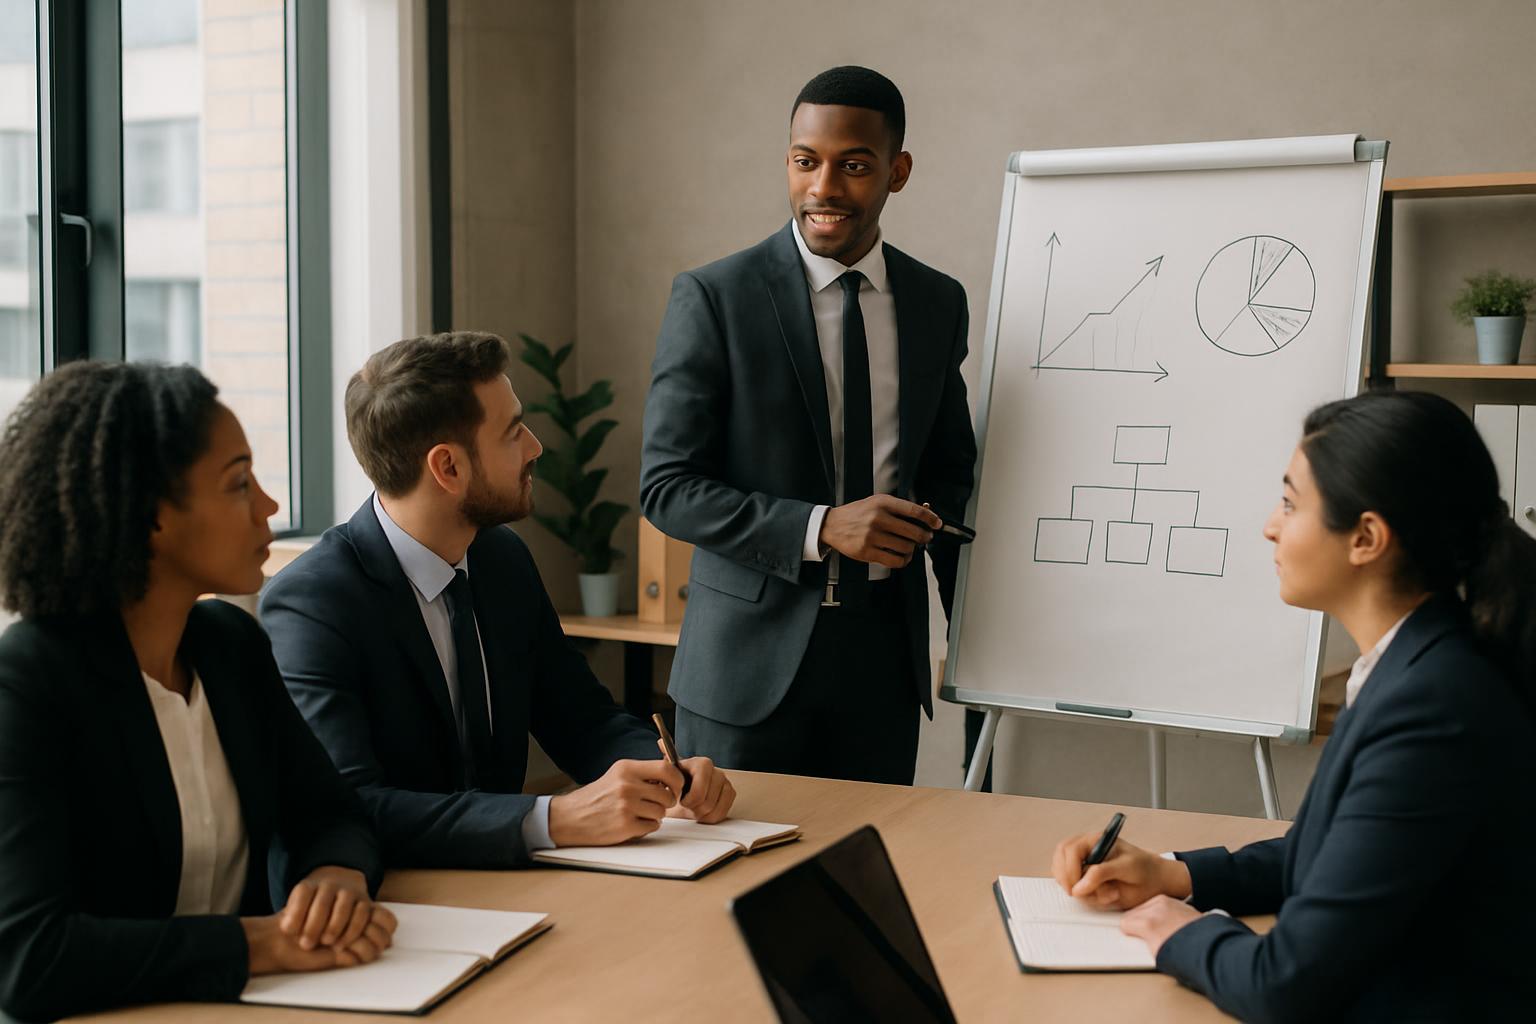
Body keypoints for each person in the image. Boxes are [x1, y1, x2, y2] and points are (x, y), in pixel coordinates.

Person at [1050, 391, 1536, 1020]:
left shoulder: (1435, 706)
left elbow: (1285, 985)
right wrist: (1174, 876)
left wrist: (1180, 933)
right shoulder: (1418, 662)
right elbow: (1340, 854)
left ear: (1365, 538)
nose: (1270, 526)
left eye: (1289, 503)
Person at [0, 363, 395, 1022]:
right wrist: (259, 943)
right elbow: (27, 958)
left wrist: (335, 878)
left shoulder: (228, 645)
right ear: (150, 515)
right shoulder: (29, 680)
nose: (269, 507)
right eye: (239, 484)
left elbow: (331, 812)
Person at [260, 331, 735, 870]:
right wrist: (553, 819)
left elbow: (582, 719)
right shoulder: (311, 605)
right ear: (449, 468)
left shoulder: (501, 559)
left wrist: (668, 770)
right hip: (396, 902)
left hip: (508, 886)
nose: (535, 446)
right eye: (513, 433)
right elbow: (352, 808)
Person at [639, 66, 977, 784]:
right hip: (744, 671)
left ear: (898, 171)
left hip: (885, 665)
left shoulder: (936, 303)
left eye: (854, 165)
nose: (823, 187)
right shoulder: (715, 297)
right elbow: (667, 488)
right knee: (728, 883)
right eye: (805, 161)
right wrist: (822, 527)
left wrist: (981, 643)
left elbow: (950, 478)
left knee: (865, 884)